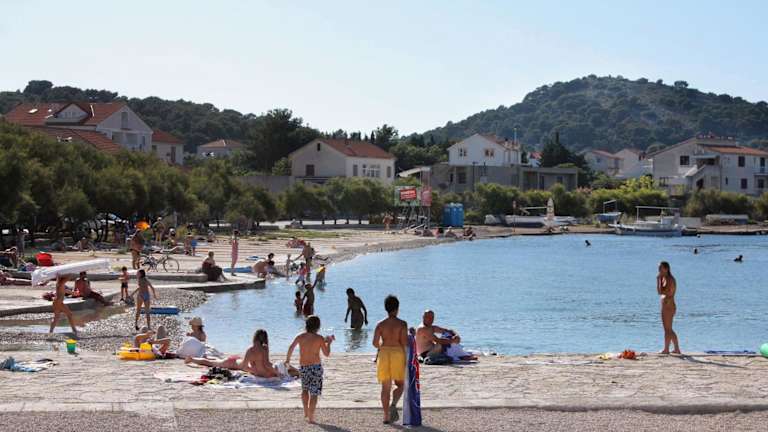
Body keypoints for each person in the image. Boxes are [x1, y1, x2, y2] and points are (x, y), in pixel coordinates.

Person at [285, 315, 334, 424]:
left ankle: (306, 412)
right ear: (318, 326)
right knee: (314, 393)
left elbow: (291, 347)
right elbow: (326, 353)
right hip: (316, 368)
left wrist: (287, 360)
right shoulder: (319, 338)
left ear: (306, 325)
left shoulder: (300, 336)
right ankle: (311, 417)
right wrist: (329, 343)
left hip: (303, 367)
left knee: (305, 390)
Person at [186, 329, 290, 378]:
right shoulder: (263, 348)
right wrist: (254, 370)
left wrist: (255, 371)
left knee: (214, 361)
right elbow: (245, 366)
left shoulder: (252, 349)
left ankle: (197, 358)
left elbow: (265, 364)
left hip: (237, 361)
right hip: (233, 363)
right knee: (211, 363)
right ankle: (192, 359)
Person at [373, 295, 408, 424]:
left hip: (384, 353)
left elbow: (375, 343)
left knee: (385, 387)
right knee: (401, 384)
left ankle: (386, 416)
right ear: (397, 308)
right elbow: (404, 342)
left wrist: (382, 346)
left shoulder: (380, 324)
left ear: (386, 308)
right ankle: (393, 404)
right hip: (397, 353)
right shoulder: (402, 324)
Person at [657, 261, 681, 355]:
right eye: (659, 268)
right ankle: (676, 349)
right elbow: (661, 291)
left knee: (668, 329)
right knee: (668, 329)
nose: (659, 270)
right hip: (667, 305)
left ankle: (666, 349)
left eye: (660, 268)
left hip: (668, 306)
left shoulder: (669, 279)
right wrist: (660, 279)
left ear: (666, 269)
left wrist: (658, 280)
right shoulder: (665, 278)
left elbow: (661, 292)